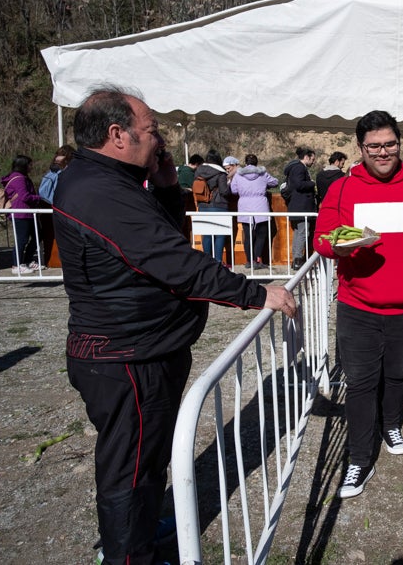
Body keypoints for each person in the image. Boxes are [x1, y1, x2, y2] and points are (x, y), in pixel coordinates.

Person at [53, 87, 295, 565]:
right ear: (117, 134)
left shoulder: (115, 181)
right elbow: (172, 261)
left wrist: (164, 186)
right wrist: (254, 293)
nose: (159, 139)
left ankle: (139, 534)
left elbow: (160, 238)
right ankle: (128, 555)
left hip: (145, 348)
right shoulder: (98, 190)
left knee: (147, 462)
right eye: (151, 129)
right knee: (129, 472)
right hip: (125, 356)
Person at [313, 110, 403, 501]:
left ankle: (391, 424)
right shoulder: (342, 189)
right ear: (360, 148)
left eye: (389, 144)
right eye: (374, 146)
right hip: (358, 307)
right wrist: (339, 245)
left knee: (398, 375)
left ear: (401, 144)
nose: (383, 152)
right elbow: (321, 240)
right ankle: (358, 459)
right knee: (362, 385)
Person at [229, 153, 279, 268]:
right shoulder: (262, 173)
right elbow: (275, 182)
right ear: (256, 163)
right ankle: (257, 259)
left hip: (244, 206)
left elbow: (233, 190)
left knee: (248, 235)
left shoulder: (238, 175)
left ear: (245, 163)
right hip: (260, 206)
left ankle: (249, 261)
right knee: (261, 235)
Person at [1, 154, 42, 274]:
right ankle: (17, 265)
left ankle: (28, 261)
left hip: (27, 213)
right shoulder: (19, 178)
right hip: (21, 213)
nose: (31, 167)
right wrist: (38, 198)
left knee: (37, 236)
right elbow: (25, 196)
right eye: (30, 164)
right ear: (23, 165)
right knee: (22, 239)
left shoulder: (22, 177)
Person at [193, 150, 234, 263]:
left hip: (203, 205)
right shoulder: (220, 173)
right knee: (219, 235)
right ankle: (218, 261)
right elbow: (224, 191)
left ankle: (207, 261)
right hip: (219, 205)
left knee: (206, 235)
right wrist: (229, 182)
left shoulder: (198, 171)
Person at [284, 147, 317, 270]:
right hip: (301, 206)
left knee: (299, 233)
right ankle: (298, 260)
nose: (313, 162)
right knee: (302, 233)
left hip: (297, 206)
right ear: (306, 157)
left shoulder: (296, 168)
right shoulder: (299, 168)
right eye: (312, 159)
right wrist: (312, 183)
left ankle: (297, 259)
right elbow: (298, 184)